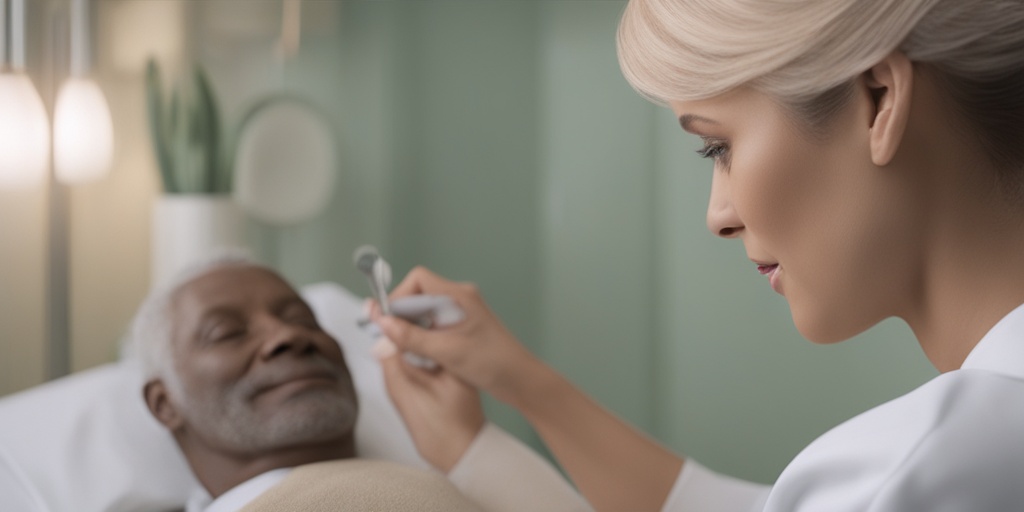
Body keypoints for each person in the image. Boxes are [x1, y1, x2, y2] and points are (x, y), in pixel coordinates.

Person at [370, 0, 1024, 511]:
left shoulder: (926, 468)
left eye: (719, 148)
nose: (719, 217)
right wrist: (518, 388)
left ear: (878, 98)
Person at [130, 255, 592, 512]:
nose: (287, 335)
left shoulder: (469, 485)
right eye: (227, 333)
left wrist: (473, 444)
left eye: (302, 319)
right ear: (164, 403)